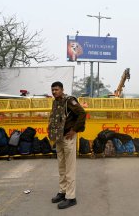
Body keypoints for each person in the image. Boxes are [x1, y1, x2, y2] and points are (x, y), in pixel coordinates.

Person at [48, 81, 86, 209]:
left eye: (56, 90)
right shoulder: (56, 102)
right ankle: (63, 192)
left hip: (68, 137)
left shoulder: (69, 101)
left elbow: (82, 113)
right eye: (53, 90)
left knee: (70, 168)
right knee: (61, 167)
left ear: (62, 90)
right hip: (59, 138)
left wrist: (74, 130)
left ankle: (71, 197)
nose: (54, 92)